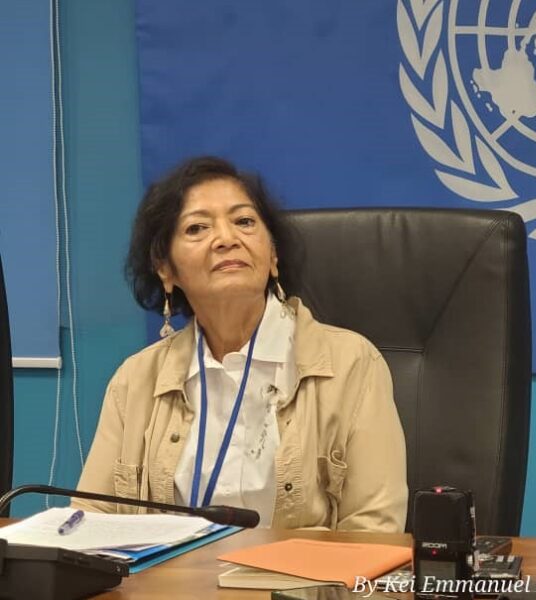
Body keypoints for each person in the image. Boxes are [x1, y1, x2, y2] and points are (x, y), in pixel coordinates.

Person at [75, 156, 407, 531]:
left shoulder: (351, 364)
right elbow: (90, 520)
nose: (227, 239)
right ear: (165, 268)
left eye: (244, 221)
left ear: (273, 254)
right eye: (197, 228)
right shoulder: (135, 381)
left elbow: (374, 529)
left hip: (298, 572)